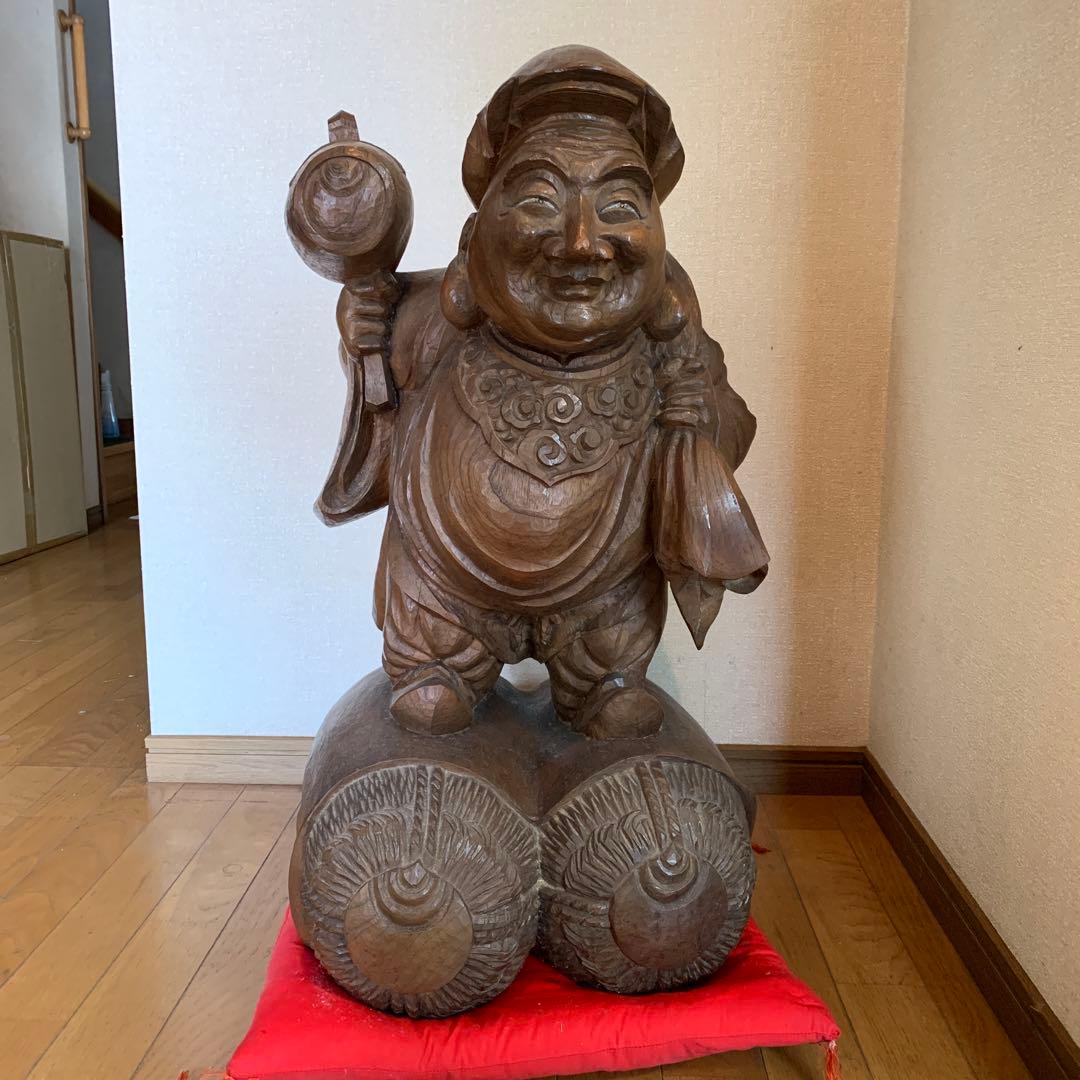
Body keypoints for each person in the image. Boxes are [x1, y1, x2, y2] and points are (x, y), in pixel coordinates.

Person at [319, 46, 768, 738]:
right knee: (431, 699)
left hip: (605, 594)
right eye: (539, 200)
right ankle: (438, 666)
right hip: (447, 585)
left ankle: (601, 683)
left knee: (615, 682)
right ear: (479, 229)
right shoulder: (440, 315)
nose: (583, 243)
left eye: (619, 205)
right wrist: (366, 331)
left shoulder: (670, 344)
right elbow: (382, 388)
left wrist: (694, 417)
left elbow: (730, 423)